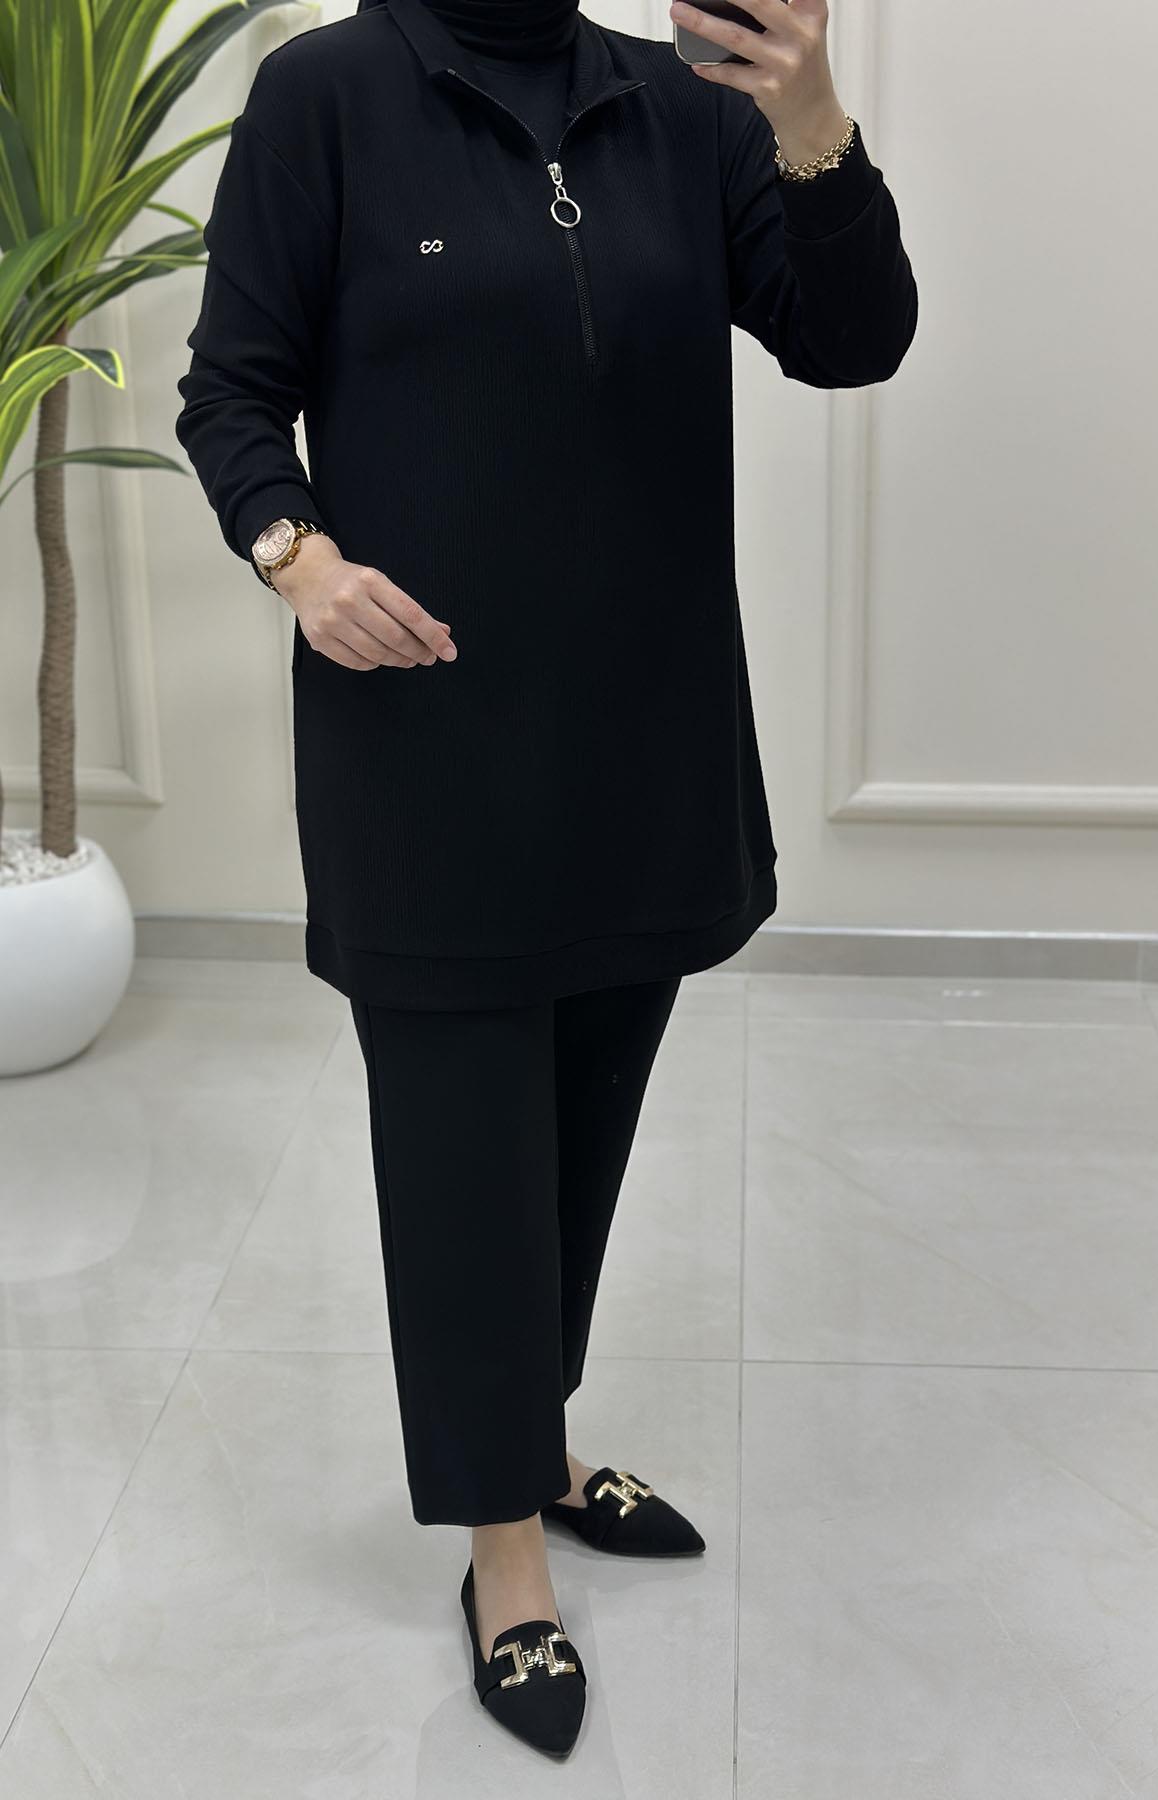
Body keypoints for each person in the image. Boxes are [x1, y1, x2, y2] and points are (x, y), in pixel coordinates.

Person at [174, 0, 917, 1757]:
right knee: (464, 1168)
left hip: (639, 742)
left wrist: (809, 111)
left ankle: (543, 1444)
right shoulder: (324, 98)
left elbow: (854, 339)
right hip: (426, 743)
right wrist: (299, 560)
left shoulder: (683, 108)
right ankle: (503, 1551)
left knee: (580, 1143)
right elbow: (230, 391)